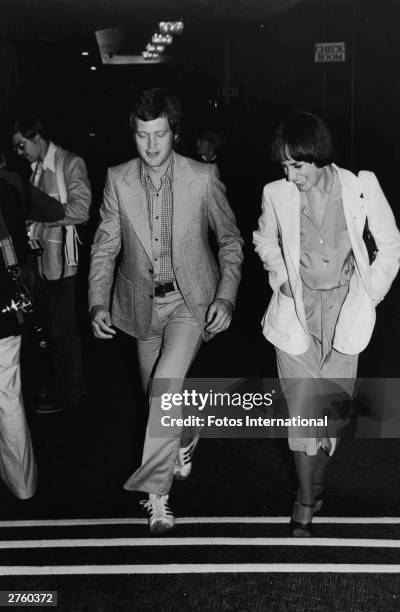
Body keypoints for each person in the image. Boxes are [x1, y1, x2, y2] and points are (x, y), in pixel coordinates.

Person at [89, 88, 243, 533]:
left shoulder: (202, 176)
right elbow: (104, 247)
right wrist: (98, 301)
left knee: (164, 390)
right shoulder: (118, 179)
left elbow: (230, 241)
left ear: (174, 132)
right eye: (142, 136)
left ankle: (157, 498)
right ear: (133, 136)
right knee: (157, 397)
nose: (152, 146)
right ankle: (184, 436)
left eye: (160, 135)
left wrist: (226, 295)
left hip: (188, 303)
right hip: (139, 307)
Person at [253, 111, 400, 536]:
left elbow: (390, 247)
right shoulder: (276, 193)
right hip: (295, 314)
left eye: (296, 165)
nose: (289, 174)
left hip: (344, 314)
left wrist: (371, 292)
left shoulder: (361, 187)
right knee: (303, 414)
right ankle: (305, 497)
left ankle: (314, 481)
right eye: (284, 166)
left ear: (316, 156)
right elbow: (263, 239)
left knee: (328, 416)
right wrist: (280, 277)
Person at [12, 117, 91, 414]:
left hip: (62, 263)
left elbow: (81, 210)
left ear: (37, 137)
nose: (20, 151)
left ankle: (70, 392)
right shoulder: (34, 170)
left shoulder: (70, 163)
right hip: (41, 262)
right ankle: (63, 383)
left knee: (64, 331)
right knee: (50, 329)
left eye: (22, 144)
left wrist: (40, 216)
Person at [0, 176, 37, 499]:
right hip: (3, 311)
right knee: (7, 397)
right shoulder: (8, 192)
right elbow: (21, 253)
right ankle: (22, 485)